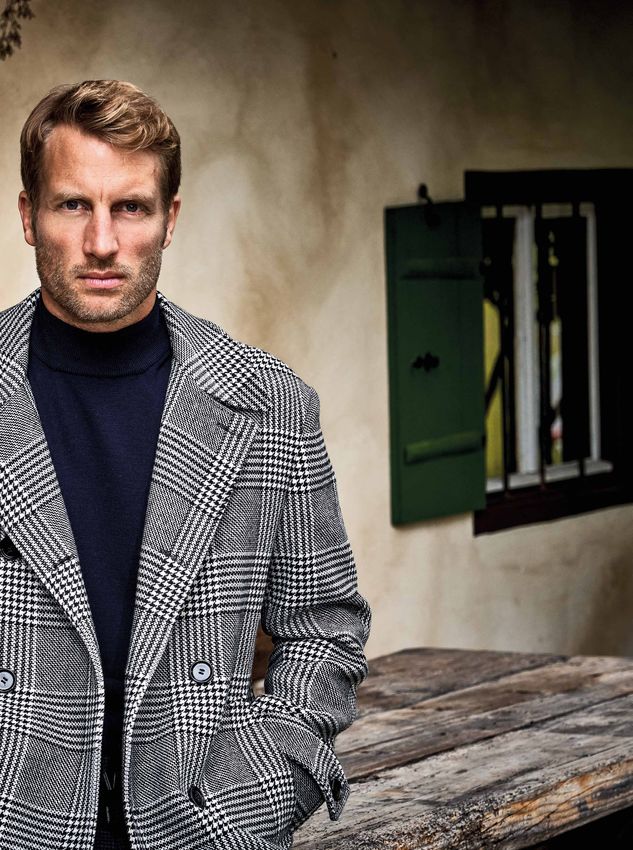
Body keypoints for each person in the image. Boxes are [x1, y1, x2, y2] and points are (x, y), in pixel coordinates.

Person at [0, 80, 371, 850]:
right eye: (73, 205)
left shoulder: (267, 405)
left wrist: (263, 793)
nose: (102, 242)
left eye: (130, 207)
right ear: (29, 215)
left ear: (170, 220)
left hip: (198, 828)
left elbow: (324, 626)